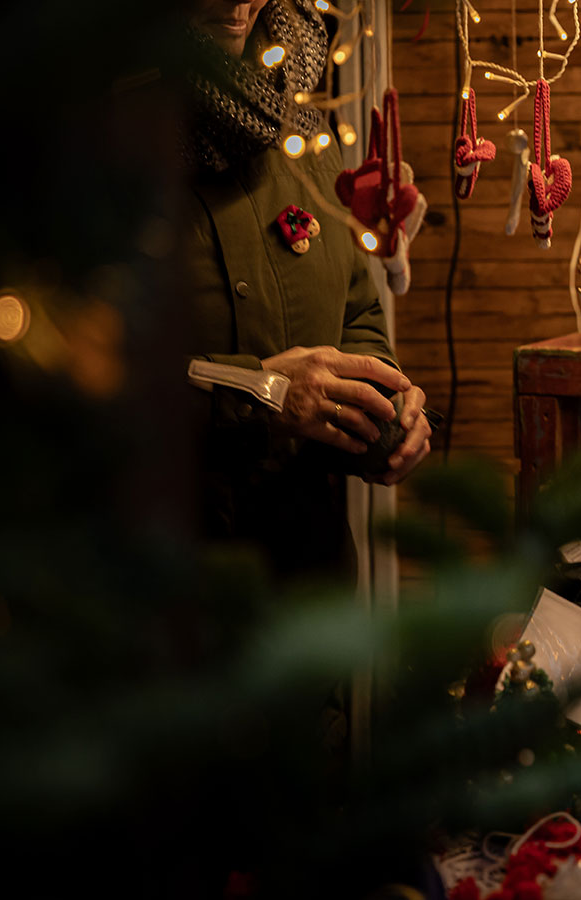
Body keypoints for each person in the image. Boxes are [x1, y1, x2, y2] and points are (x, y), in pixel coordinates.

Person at [184, 0, 431, 582]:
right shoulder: (87, 134)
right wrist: (259, 391)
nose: (236, 3)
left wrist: (381, 403)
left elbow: (357, 304)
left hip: (309, 582)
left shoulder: (303, 124)